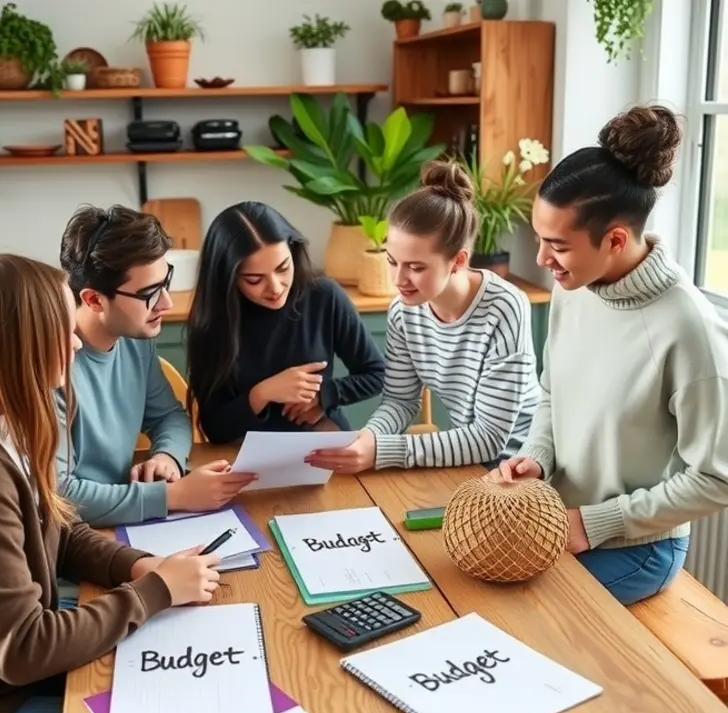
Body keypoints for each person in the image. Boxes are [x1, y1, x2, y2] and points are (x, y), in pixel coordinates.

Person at [0, 254, 222, 713]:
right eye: (62, 332)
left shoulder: (10, 420)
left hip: (3, 686)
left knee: (184, 706)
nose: (78, 345)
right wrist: (153, 592)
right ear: (20, 345)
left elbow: (55, 527)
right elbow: (21, 646)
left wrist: (137, 565)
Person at [491, 104, 728, 605]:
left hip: (637, 549)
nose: (541, 259)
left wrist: (595, 522)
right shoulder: (573, 284)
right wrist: (535, 457)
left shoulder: (689, 329)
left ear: (616, 239)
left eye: (557, 244)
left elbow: (716, 479)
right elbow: (553, 393)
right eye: (539, 238)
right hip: (559, 520)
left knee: (515, 615)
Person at [306, 161, 540, 474]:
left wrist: (381, 451)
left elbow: (489, 439)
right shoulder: (404, 312)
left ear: (458, 261)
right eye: (392, 261)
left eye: (416, 267)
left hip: (521, 468)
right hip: (468, 463)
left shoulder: (506, 307)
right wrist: (368, 437)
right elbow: (400, 401)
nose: (399, 279)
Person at [58, 204, 255, 526]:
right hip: (78, 538)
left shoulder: (136, 338)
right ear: (94, 300)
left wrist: (167, 456)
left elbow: (168, 416)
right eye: (149, 292)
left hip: (129, 518)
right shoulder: (51, 363)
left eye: (166, 282)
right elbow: (59, 495)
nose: (167, 303)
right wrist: (173, 497)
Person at [185, 201, 386, 443]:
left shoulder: (324, 296)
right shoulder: (213, 321)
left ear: (293, 251)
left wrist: (326, 395)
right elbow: (215, 428)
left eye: (283, 268)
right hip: (247, 455)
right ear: (228, 278)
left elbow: (378, 374)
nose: (276, 287)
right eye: (254, 279)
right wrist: (263, 393)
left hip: (325, 441)